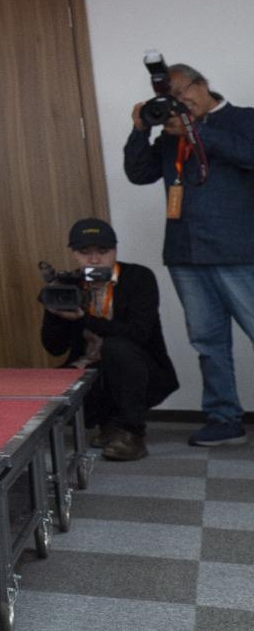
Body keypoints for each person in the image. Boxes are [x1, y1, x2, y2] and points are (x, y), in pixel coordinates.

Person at [124, 62, 254, 447]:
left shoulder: (242, 119)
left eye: (183, 92)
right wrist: (140, 130)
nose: (179, 102)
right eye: (171, 98)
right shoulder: (170, 135)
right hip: (185, 254)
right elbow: (139, 173)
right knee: (207, 342)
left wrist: (197, 131)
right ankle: (224, 418)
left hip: (238, 252)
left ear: (203, 84)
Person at [41, 218, 178, 462]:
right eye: (85, 253)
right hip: (89, 369)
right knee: (49, 382)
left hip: (141, 371)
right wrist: (54, 312)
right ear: (74, 254)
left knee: (116, 347)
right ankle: (109, 425)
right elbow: (54, 348)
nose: (94, 260)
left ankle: (131, 432)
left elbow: (138, 334)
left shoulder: (138, 277)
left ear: (114, 250)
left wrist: (84, 318)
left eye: (102, 251)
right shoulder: (69, 284)